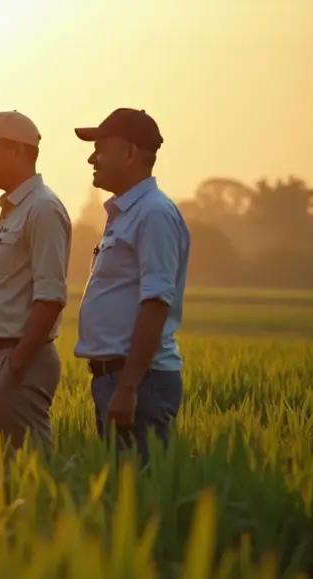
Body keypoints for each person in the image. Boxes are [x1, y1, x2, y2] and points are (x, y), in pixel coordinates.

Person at [73, 108, 191, 464]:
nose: (92, 157)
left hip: (140, 382)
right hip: (118, 378)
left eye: (101, 147)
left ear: (129, 153)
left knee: (138, 499)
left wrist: (127, 387)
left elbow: (155, 304)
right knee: (119, 495)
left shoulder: (153, 214)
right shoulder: (128, 214)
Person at [0, 110, 72, 454]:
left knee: (30, 473)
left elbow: (51, 295)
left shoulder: (43, 209)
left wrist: (18, 363)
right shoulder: (14, 209)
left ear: (17, 151)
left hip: (19, 361)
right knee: (1, 475)